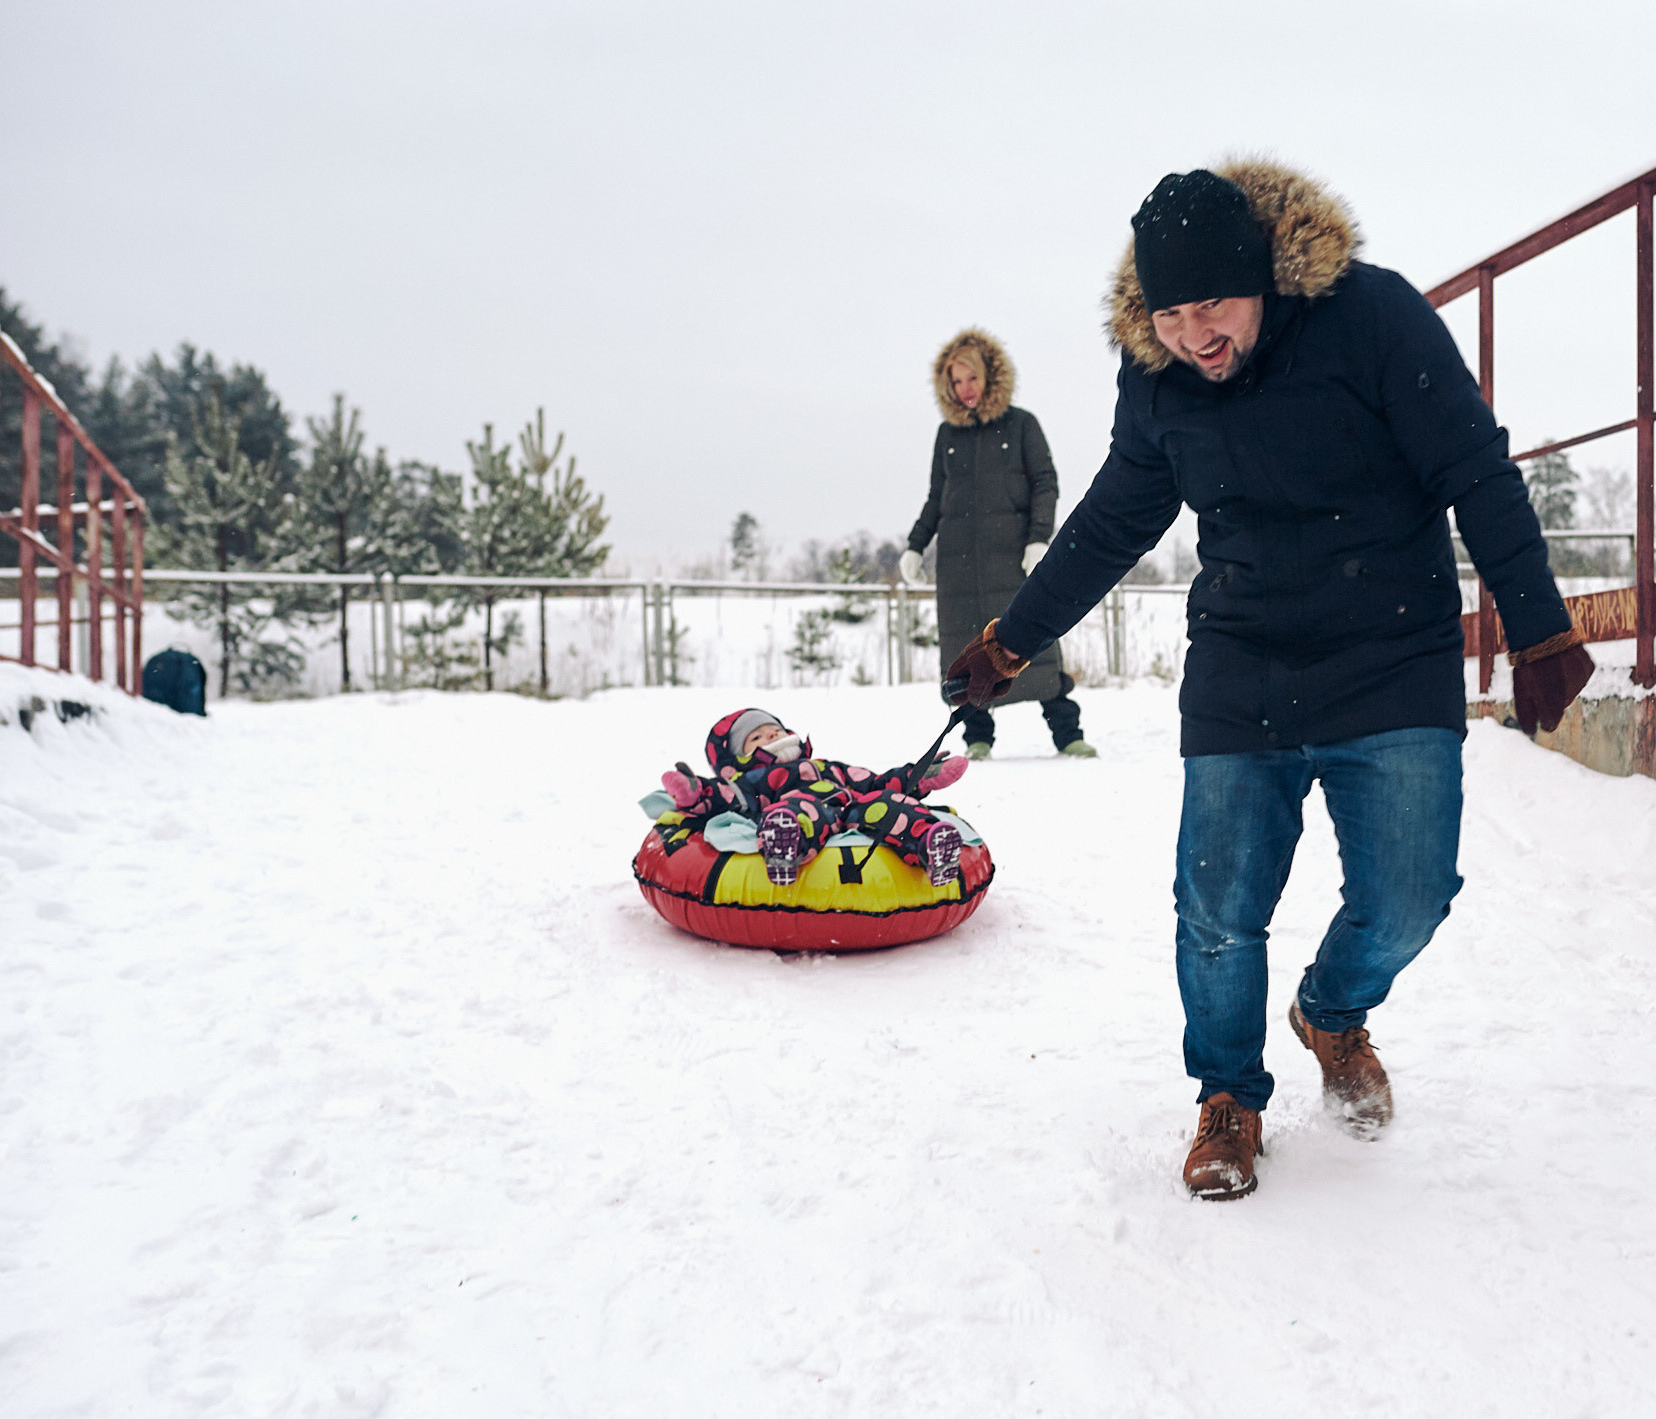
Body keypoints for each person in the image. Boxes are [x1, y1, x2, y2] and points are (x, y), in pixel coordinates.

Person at [943, 163, 1597, 1200]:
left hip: (1390, 647)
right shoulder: (1155, 376)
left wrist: (1540, 627)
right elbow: (1119, 513)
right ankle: (1228, 1095)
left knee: (1411, 898)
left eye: (1214, 303)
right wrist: (1015, 640)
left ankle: (1331, 1013)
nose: (1196, 332)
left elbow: (1474, 469)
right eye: (1170, 312)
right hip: (1244, 657)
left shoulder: (1373, 317)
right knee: (1216, 904)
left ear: (1265, 279)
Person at [900, 329, 1096, 761]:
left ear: (990, 377)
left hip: (1014, 560)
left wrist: (1039, 539)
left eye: (971, 378)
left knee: (1035, 642)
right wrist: (916, 546)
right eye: (956, 381)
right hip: (958, 566)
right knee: (966, 651)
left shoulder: (1022, 424)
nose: (964, 389)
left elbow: (1046, 482)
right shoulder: (946, 436)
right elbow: (937, 498)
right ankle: (977, 738)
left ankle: (1068, 734)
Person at [656, 708, 970, 885]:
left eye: (774, 729)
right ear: (737, 759)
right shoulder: (750, 779)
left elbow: (874, 782)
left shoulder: (825, 766)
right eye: (756, 737)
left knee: (889, 805)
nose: (771, 735)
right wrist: (695, 791)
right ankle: (784, 843)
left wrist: (919, 776)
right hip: (804, 809)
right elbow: (725, 797)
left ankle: (932, 843)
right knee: (800, 810)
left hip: (852, 807)